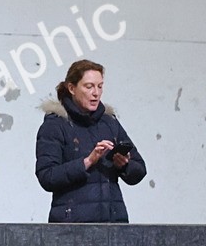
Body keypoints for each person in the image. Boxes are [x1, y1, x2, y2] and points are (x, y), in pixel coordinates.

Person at [35, 59, 147, 222]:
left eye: (100, 86)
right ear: (72, 88)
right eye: (89, 86)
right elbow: (47, 176)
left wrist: (124, 165)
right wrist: (87, 162)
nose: (96, 93)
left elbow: (140, 170)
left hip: (114, 226)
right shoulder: (55, 125)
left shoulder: (110, 123)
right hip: (71, 229)